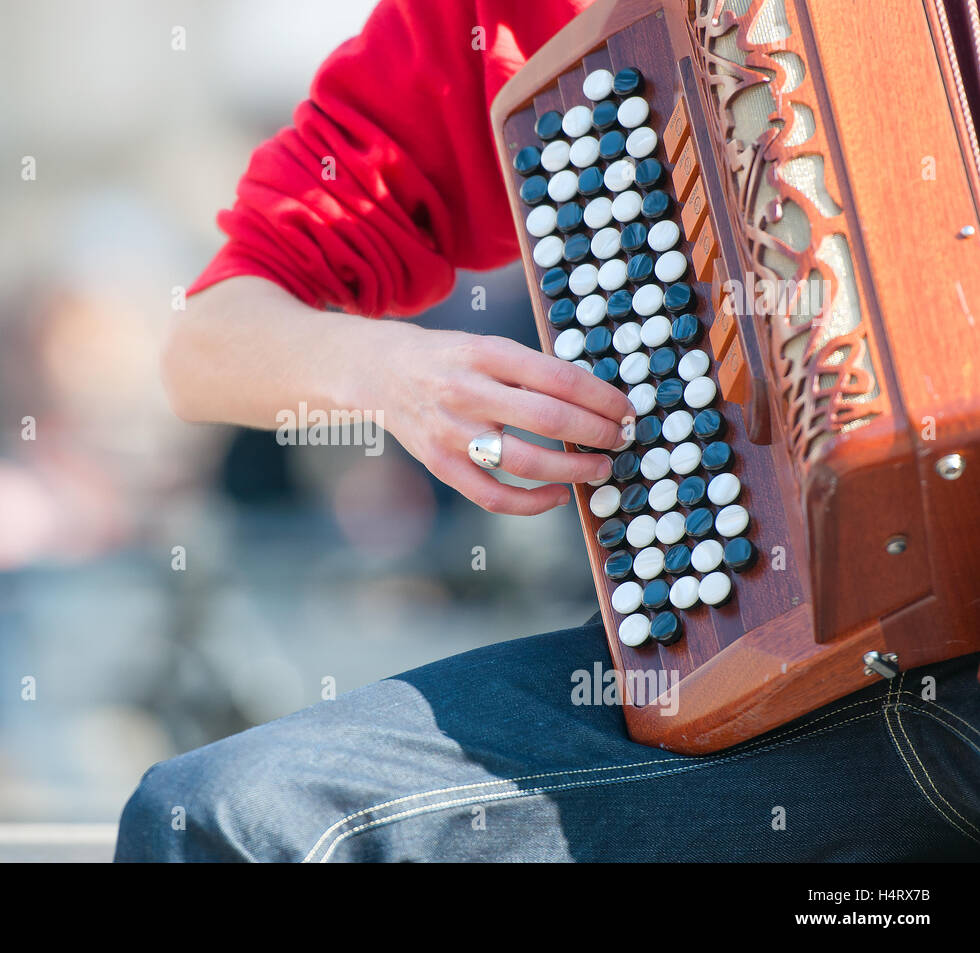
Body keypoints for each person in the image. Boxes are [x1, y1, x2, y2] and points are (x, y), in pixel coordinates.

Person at [114, 0, 980, 861]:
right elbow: (206, 343)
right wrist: (392, 374)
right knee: (223, 816)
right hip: (827, 677)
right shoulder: (524, 16)